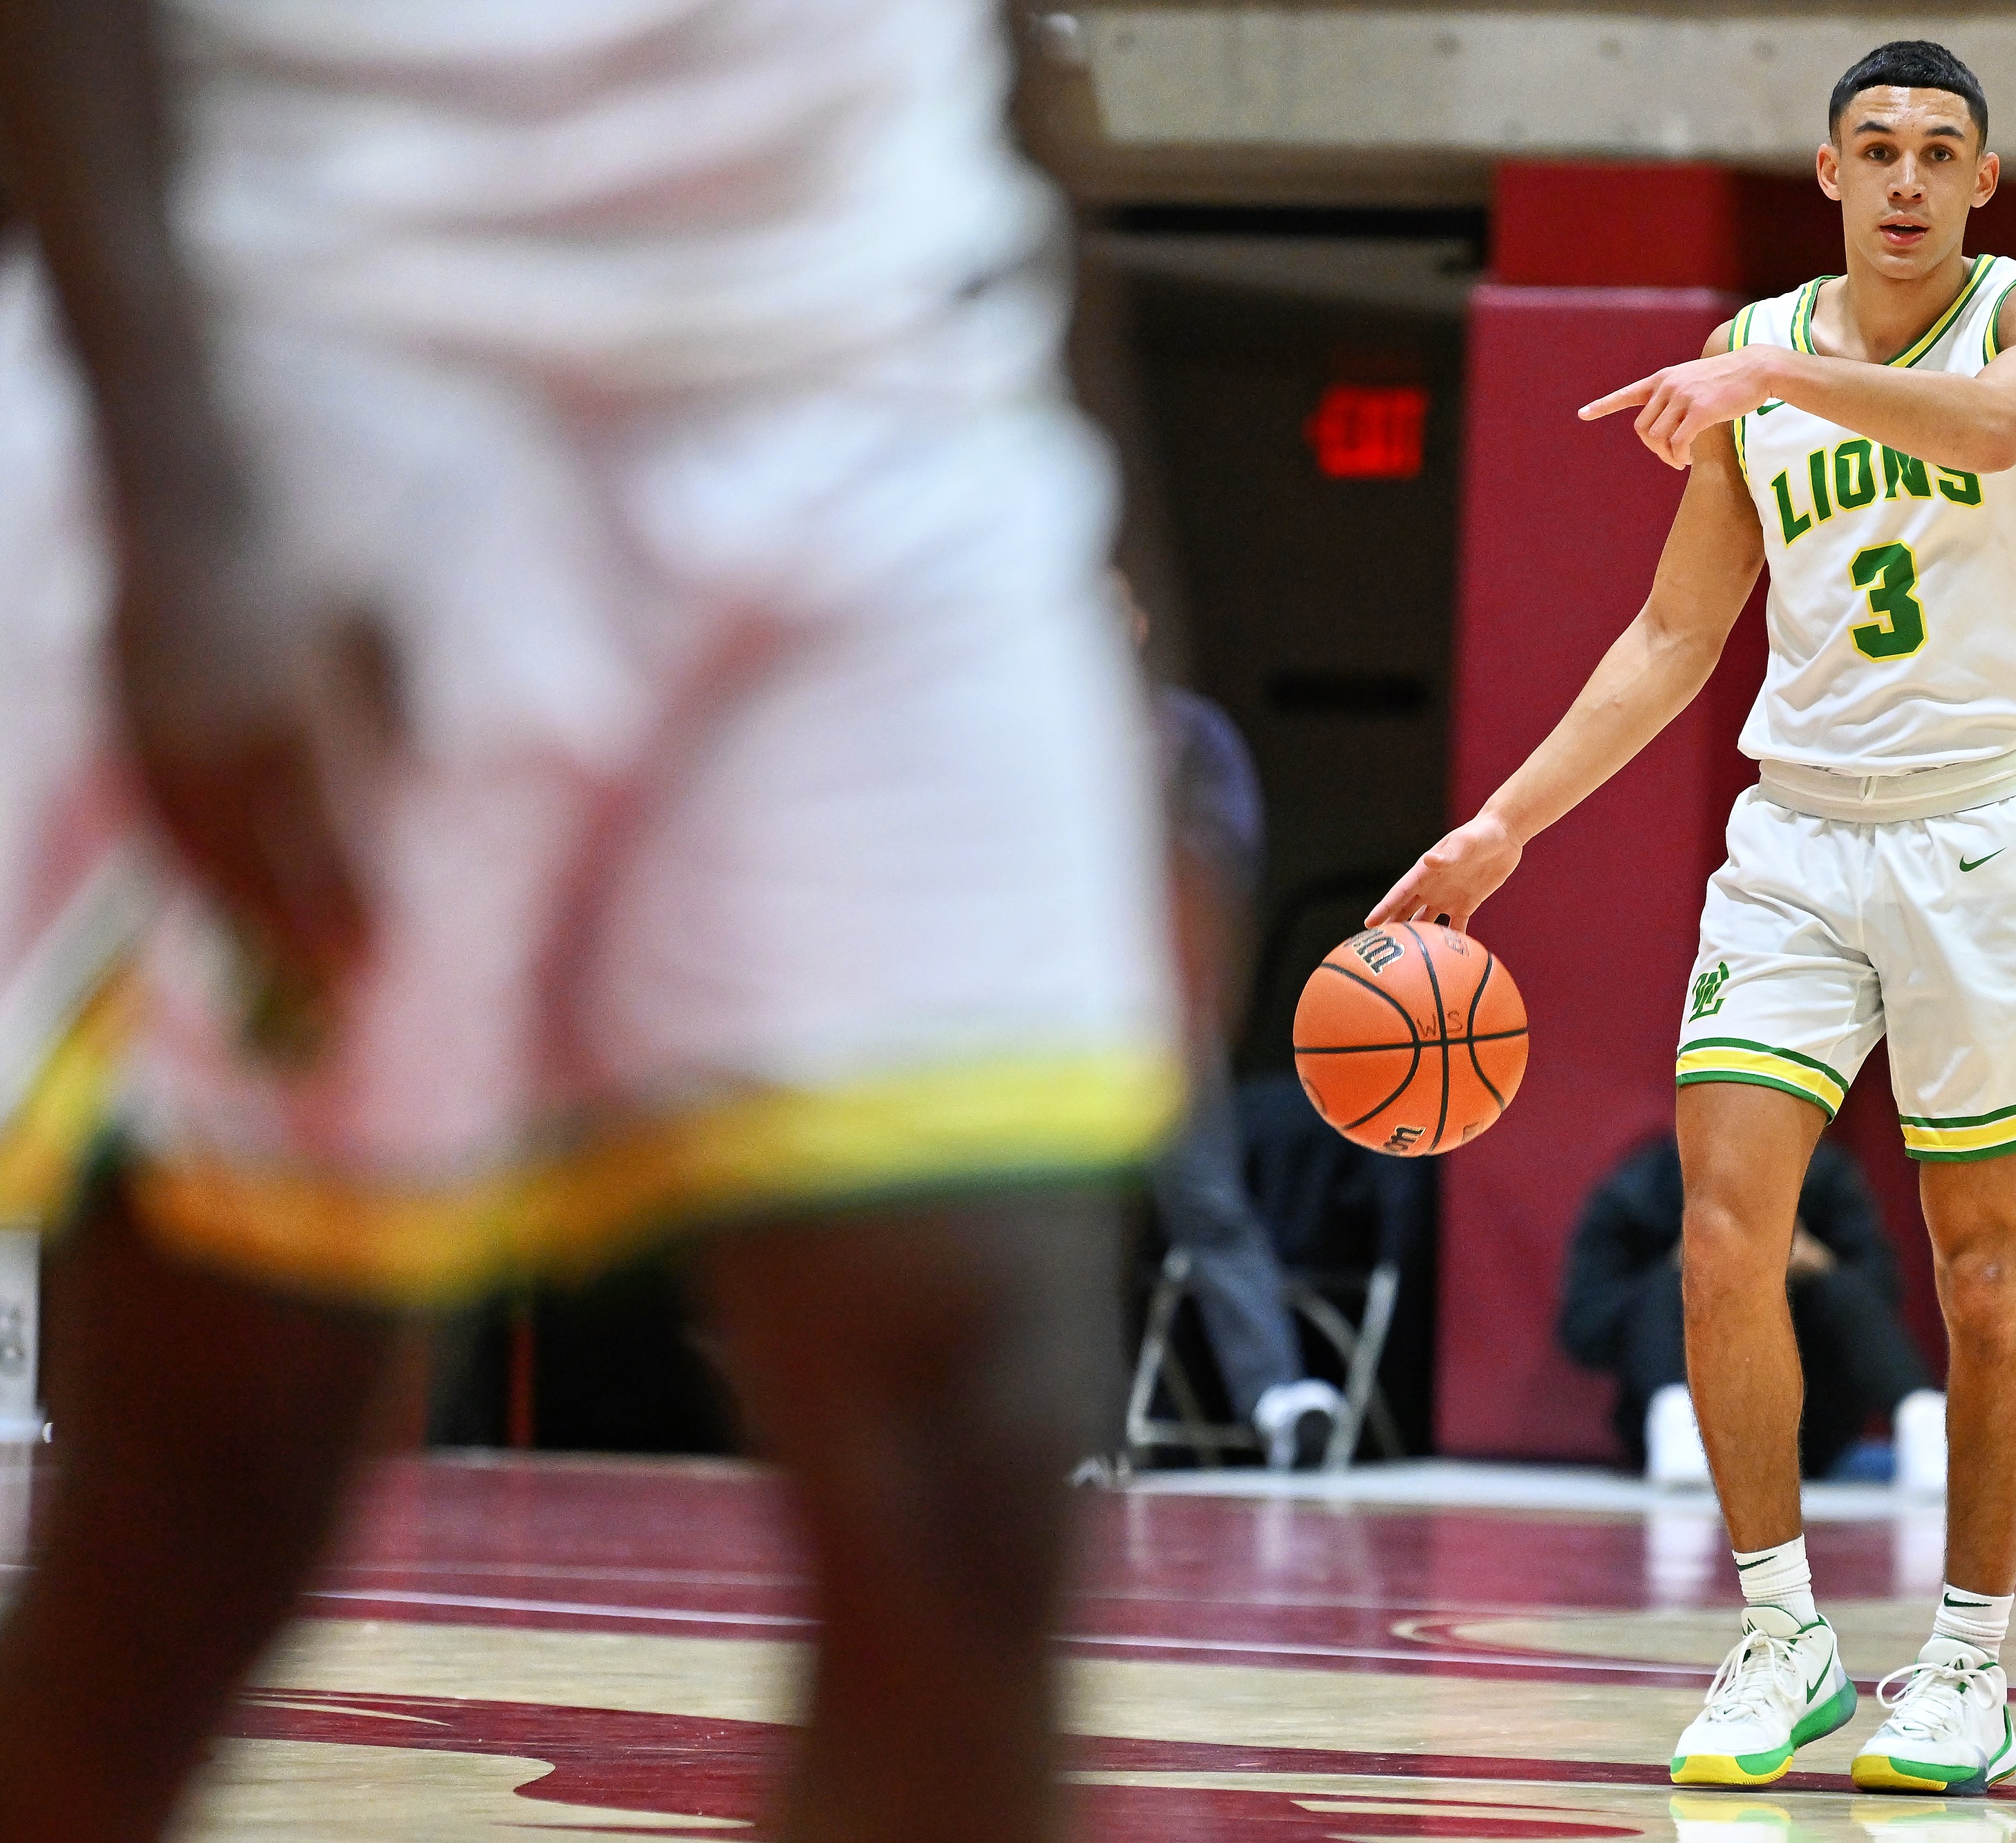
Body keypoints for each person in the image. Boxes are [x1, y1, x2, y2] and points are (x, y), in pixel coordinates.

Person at [0, 6, 1176, 1842]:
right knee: (221, 1454)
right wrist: (177, 497)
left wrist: (1131, 609)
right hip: (329, 329)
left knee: (977, 1430)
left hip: (878, 356)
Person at [1372, 38, 2016, 1796]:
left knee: (1987, 1278)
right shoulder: (1747, 365)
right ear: (1829, 172)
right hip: (1792, 841)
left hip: (1977, 841)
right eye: (1880, 149)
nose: (1912, 179)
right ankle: (1780, 1634)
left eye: (1943, 151)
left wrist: (1767, 368)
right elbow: (1669, 639)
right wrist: (1501, 827)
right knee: (1720, 1238)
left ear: (1983, 181)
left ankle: (1967, 1665)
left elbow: (2002, 426)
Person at [1129, 578, 1349, 1468]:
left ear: (1140, 621)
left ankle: (1275, 1402)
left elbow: (1227, 855)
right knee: (1050, 1230)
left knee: (1210, 1206)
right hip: (1044, 1021)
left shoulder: (1188, 736)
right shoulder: (1022, 732)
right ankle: (1057, 1429)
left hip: (1156, 1017)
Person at [1558, 1133, 1946, 1493]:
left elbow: (1883, 1296)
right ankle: (1680, 1422)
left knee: (1837, 1287)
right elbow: (1584, 1326)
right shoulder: (1639, 1191)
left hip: (1809, 1429)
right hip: (1681, 1405)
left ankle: (1924, 1423)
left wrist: (1817, 1264)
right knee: (1669, 1285)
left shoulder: (1824, 1178)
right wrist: (1688, 1269)